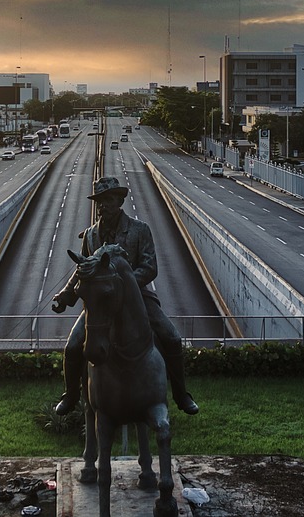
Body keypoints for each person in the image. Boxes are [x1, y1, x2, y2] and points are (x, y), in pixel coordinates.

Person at [51, 176, 199, 416]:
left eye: (108, 200)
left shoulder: (139, 231)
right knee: (73, 346)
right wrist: (66, 295)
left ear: (119, 201)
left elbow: (150, 267)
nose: (103, 206)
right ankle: (71, 395)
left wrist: (125, 285)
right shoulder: (90, 235)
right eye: (99, 201)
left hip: (137, 298)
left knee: (171, 337)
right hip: (101, 302)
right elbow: (83, 269)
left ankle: (181, 394)